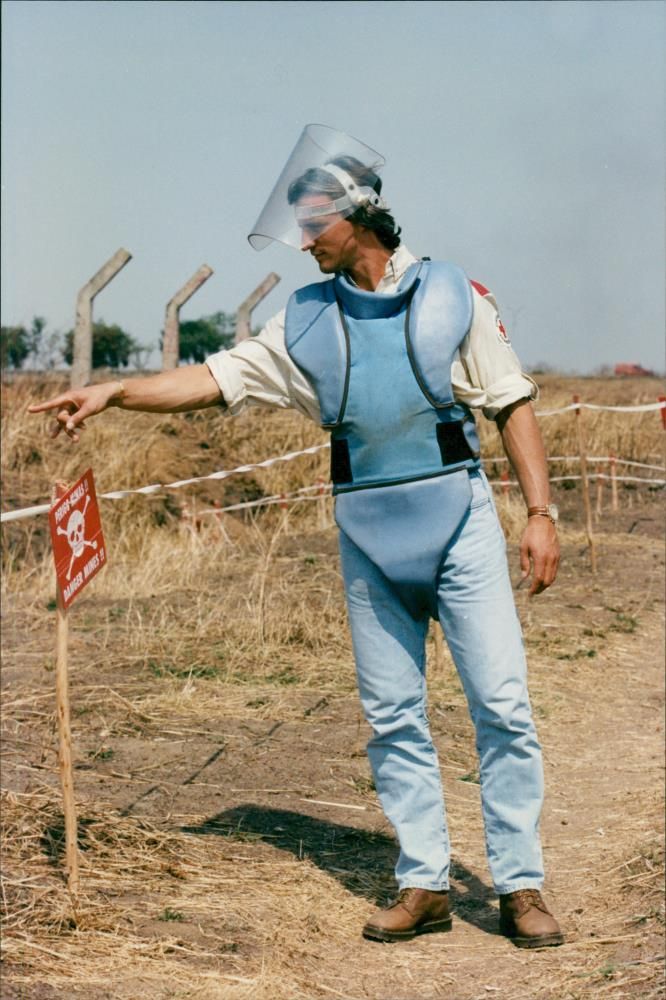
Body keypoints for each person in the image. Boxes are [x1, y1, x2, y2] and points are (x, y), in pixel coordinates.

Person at [29, 125, 563, 949]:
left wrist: (540, 514)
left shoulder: (456, 294)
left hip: (459, 522)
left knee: (501, 704)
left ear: (358, 216)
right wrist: (117, 393)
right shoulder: (303, 320)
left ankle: (521, 886)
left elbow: (511, 403)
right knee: (392, 713)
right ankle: (423, 880)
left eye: (315, 224)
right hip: (367, 531)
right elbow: (214, 380)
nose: (304, 241)